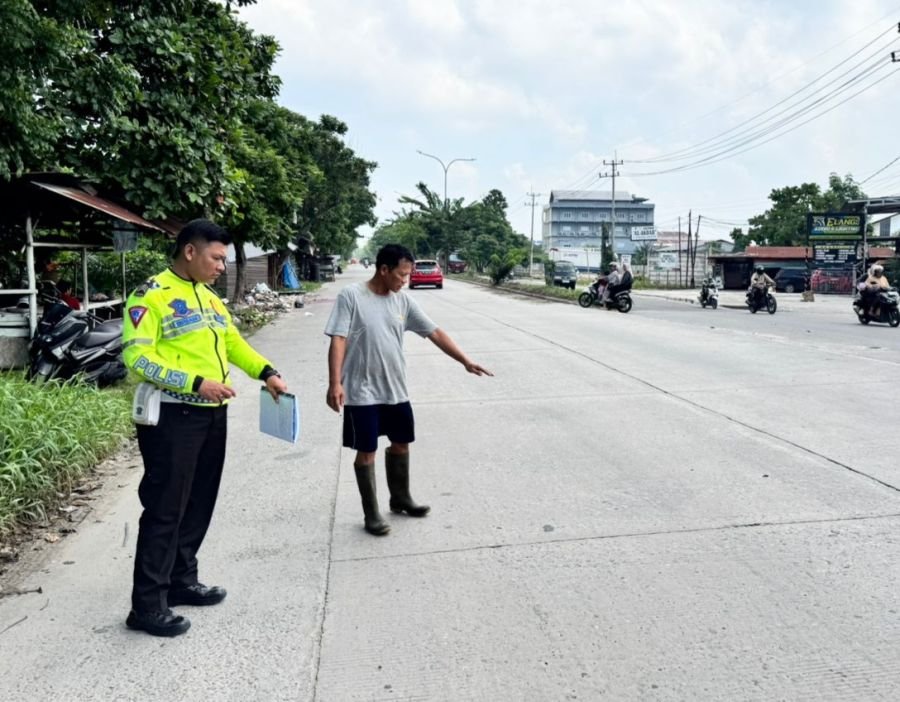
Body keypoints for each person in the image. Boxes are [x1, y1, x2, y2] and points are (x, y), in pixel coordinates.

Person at [121, 219, 288, 637]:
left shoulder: (210, 300)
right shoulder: (150, 296)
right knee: (165, 507)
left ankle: (181, 580)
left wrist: (266, 372)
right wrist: (195, 383)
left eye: (223, 259)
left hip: (213, 414)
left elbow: (233, 342)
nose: (221, 266)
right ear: (190, 252)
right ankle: (146, 605)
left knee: (199, 501)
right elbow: (136, 360)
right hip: (173, 416)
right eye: (216, 258)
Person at [324, 244, 492, 536]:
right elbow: (338, 339)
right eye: (401, 275)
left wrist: (464, 360)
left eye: (407, 275)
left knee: (401, 443)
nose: (405, 281)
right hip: (361, 392)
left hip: (396, 390)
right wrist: (335, 382)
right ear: (384, 269)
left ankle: (400, 498)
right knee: (367, 451)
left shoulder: (402, 302)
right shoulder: (352, 296)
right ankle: (372, 514)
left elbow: (434, 332)